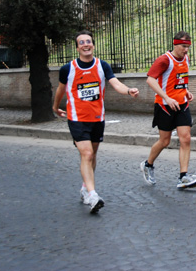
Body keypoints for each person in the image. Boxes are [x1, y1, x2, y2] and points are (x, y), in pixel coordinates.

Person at [53, 30, 139, 213]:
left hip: (97, 118)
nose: (85, 44)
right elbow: (61, 90)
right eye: (81, 42)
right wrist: (55, 106)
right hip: (76, 118)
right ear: (77, 47)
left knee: (93, 154)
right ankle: (93, 195)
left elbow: (115, 82)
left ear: (93, 45)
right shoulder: (67, 69)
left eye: (88, 41)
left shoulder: (102, 66)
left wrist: (128, 90)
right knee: (87, 154)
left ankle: (85, 188)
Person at [140, 31, 196, 189]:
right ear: (175, 44)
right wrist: (166, 97)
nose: (186, 50)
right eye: (183, 46)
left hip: (182, 104)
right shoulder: (164, 60)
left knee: (185, 138)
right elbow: (150, 80)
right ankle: (148, 164)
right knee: (164, 141)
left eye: (188, 47)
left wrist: (185, 90)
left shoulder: (186, 58)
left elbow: (179, 78)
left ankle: (183, 177)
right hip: (165, 106)